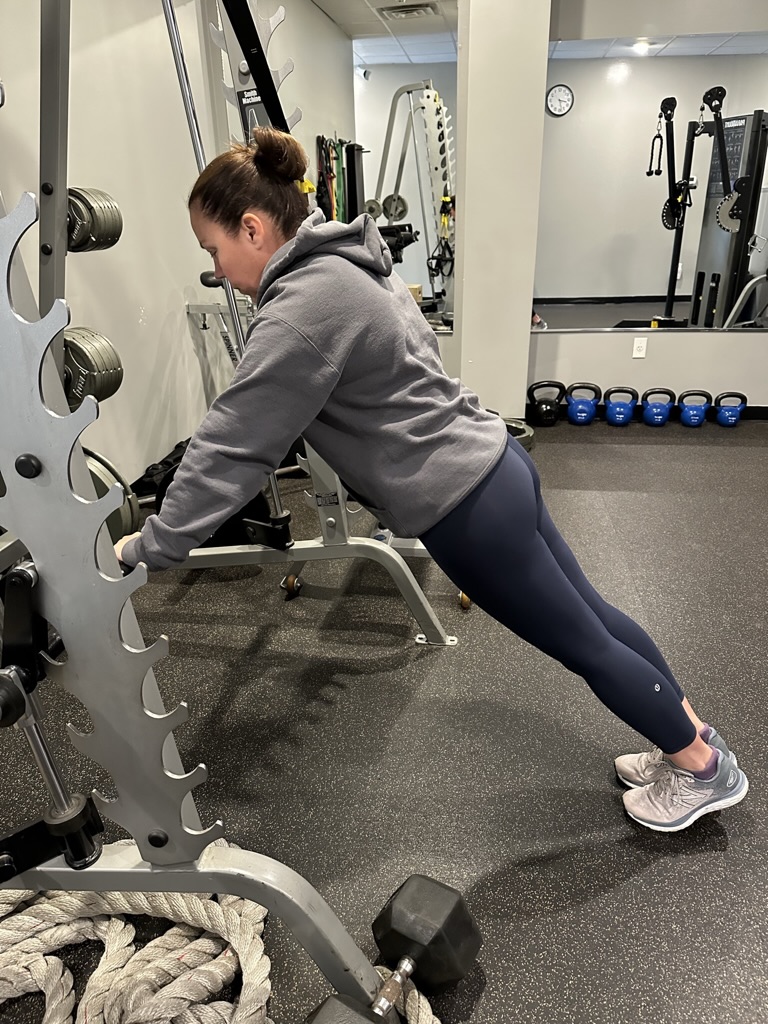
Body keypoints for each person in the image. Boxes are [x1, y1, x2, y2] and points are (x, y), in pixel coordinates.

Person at [116, 128, 748, 833]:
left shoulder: (298, 312)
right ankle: (689, 734)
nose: (217, 267)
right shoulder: (350, 260)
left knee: (586, 644)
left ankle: (701, 768)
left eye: (214, 249)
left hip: (465, 506)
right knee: (596, 617)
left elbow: (231, 447)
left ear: (254, 228)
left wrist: (152, 544)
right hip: (496, 465)